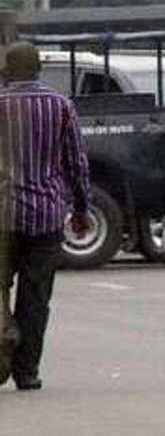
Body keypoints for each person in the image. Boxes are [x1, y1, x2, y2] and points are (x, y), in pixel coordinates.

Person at [0, 42, 92, 391]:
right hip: (45, 218)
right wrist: (81, 210)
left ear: (8, 69)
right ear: (39, 69)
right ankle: (27, 371)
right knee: (36, 297)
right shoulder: (60, 105)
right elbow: (76, 163)